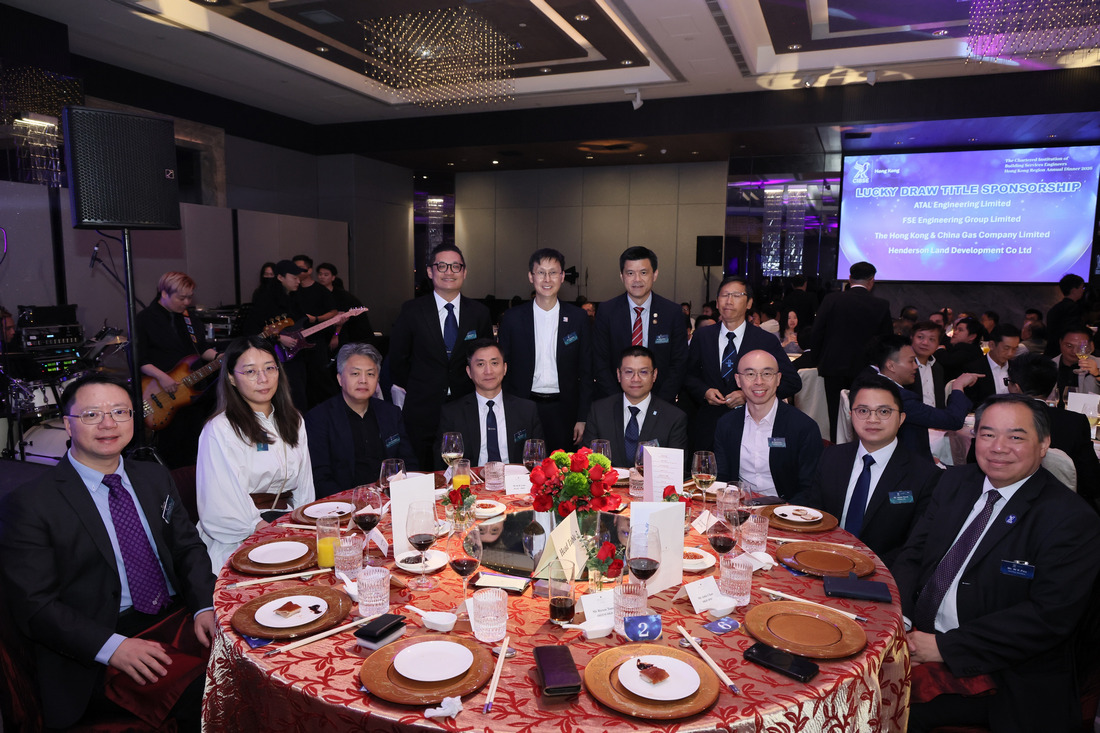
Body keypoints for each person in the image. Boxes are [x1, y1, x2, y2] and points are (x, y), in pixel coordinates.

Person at [0, 374, 216, 729]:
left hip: (177, 616)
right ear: (67, 424)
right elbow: (35, 606)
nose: (108, 423)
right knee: (208, 692)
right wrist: (112, 646)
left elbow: (187, 547)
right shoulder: (30, 503)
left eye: (119, 411)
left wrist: (204, 605)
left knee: (256, 658)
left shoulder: (153, 477)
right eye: (91, 414)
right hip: (100, 642)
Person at [894, 395, 1100, 733]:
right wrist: (900, 620)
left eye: (1015, 437)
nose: (998, 447)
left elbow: (1048, 617)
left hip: (1004, 672)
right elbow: (914, 554)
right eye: (987, 434)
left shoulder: (1070, 519)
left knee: (886, 710)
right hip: (918, 637)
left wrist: (944, 647)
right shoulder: (955, 482)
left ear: (1044, 444)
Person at [792, 375, 940, 567]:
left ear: (901, 418)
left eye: (884, 411)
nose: (873, 419)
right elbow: (814, 516)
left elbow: (915, 546)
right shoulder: (832, 457)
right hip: (823, 562)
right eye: (863, 411)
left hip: (882, 572)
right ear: (850, 414)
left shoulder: (925, 475)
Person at [195, 336, 316, 570]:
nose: (263, 379)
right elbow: (220, 503)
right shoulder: (220, 429)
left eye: (270, 368)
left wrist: (304, 528)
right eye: (250, 372)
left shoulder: (293, 420)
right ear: (231, 378)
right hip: (239, 536)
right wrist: (267, 532)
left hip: (285, 526)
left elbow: (304, 487)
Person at [388, 244, 494, 469]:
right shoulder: (412, 310)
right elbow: (397, 360)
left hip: (465, 406)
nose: (449, 272)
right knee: (423, 471)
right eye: (442, 266)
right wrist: (422, 386)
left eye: (456, 266)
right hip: (422, 409)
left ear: (464, 272)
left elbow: (485, 358)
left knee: (464, 472)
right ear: (430, 271)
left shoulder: (479, 313)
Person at [965, 352, 1100, 509]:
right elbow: (1091, 481)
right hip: (1063, 507)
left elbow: (973, 467)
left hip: (1001, 503)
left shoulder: (993, 418)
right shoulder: (1075, 422)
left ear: (1016, 387)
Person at [684, 276, 801, 452]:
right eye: (724, 295)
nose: (729, 301)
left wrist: (749, 395)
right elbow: (688, 375)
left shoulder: (765, 340)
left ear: (749, 303)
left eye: (736, 295)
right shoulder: (702, 336)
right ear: (717, 303)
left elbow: (792, 381)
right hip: (709, 426)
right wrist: (704, 391)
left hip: (751, 427)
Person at [498, 249, 592, 451]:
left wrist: (582, 417)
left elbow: (586, 371)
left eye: (553, 272)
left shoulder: (578, 318)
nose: (547, 279)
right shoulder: (513, 318)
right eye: (541, 272)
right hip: (523, 406)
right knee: (524, 465)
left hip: (564, 410)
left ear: (562, 276)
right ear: (531, 276)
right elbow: (503, 368)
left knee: (562, 466)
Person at [306, 343, 418, 498]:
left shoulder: (391, 413)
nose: (363, 380)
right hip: (343, 504)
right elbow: (319, 477)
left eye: (370, 374)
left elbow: (408, 463)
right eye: (355, 374)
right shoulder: (319, 418)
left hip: (390, 498)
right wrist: (352, 502)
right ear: (340, 379)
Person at [135, 271, 219, 468]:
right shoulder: (144, 319)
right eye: (182, 298)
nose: (187, 302)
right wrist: (162, 377)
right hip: (161, 393)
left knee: (196, 445)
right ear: (164, 293)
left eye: (190, 297)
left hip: (193, 393)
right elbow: (139, 358)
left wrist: (218, 357)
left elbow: (201, 348)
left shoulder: (189, 318)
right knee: (172, 449)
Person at [713, 349, 822, 499]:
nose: (759, 381)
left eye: (767, 374)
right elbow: (722, 478)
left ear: (778, 379)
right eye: (750, 374)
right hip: (739, 506)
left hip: (786, 508)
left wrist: (781, 510)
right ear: (738, 380)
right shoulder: (726, 424)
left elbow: (810, 488)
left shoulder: (803, 427)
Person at [807, 261, 893, 441]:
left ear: (849, 278)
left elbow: (817, 332)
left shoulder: (832, 299)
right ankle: (861, 446)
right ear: (871, 280)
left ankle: (838, 448)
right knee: (863, 411)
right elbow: (886, 341)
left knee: (835, 413)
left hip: (833, 366)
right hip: (865, 369)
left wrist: (817, 360)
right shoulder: (881, 305)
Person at [592, 246, 688, 403]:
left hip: (661, 402)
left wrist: (659, 403)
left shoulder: (672, 312)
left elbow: (679, 363)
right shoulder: (606, 311)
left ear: (654, 274)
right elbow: (599, 362)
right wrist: (619, 402)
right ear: (622, 276)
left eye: (643, 273)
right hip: (615, 401)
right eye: (630, 273)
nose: (637, 279)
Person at [436, 339, 544, 467]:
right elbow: (441, 465)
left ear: (504, 368)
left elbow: (539, 461)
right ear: (469, 372)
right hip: (470, 478)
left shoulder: (526, 410)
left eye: (494, 363)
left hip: (515, 478)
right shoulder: (452, 413)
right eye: (480, 364)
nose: (488, 371)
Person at [872, 335, 979, 462]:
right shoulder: (900, 398)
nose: (916, 366)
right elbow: (953, 420)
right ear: (891, 366)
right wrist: (958, 386)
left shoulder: (874, 385)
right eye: (911, 361)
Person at [581, 345, 688, 468]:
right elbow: (586, 462)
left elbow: (675, 469)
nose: (636, 379)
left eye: (643, 372)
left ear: (654, 375)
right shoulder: (599, 411)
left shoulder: (674, 418)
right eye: (629, 372)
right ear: (618, 375)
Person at [245, 259, 310, 409]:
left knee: (298, 396)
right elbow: (252, 330)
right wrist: (278, 337)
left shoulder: (295, 297)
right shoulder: (265, 299)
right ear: (280, 277)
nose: (298, 281)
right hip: (274, 357)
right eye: (294, 278)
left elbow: (301, 321)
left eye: (298, 278)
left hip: (295, 355)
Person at [315, 261, 375, 349]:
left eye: (326, 275)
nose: (322, 277)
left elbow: (342, 319)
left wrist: (336, 335)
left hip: (350, 335)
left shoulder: (342, 296)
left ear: (333, 277)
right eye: (320, 274)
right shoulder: (317, 293)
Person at [962, 324, 1021, 404]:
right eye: (1006, 348)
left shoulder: (1018, 368)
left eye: (1014, 349)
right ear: (991, 345)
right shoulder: (973, 369)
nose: (1010, 353)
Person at [1045, 273, 1087, 354]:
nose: (1083, 290)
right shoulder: (1073, 308)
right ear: (1074, 290)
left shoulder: (1055, 308)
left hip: (1051, 350)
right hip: (1063, 352)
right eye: (1082, 287)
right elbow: (1072, 331)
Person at [936, 316, 986, 382]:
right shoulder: (959, 347)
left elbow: (948, 361)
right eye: (956, 329)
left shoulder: (970, 351)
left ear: (972, 336)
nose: (955, 332)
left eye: (960, 330)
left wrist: (940, 350)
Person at [1053, 326, 1099, 396]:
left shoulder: (1098, 364)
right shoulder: (1049, 365)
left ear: (1091, 345)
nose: (1075, 351)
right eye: (1069, 346)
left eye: (1081, 346)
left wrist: (1097, 374)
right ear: (1060, 342)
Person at [910, 321, 946, 408]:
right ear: (911, 337)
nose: (925, 343)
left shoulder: (938, 368)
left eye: (931, 339)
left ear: (938, 344)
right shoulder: (904, 365)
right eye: (920, 337)